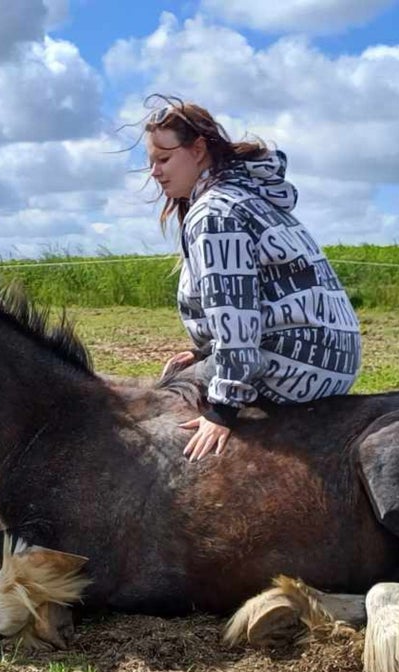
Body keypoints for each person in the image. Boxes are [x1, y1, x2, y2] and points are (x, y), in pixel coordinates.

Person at [144, 97, 362, 462]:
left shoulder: (214, 214)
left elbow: (236, 315)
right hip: (331, 357)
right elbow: (265, 300)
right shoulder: (248, 197)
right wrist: (205, 353)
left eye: (164, 159)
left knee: (168, 399)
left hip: (292, 366)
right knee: (187, 371)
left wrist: (223, 410)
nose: (155, 173)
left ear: (198, 150)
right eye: (151, 163)